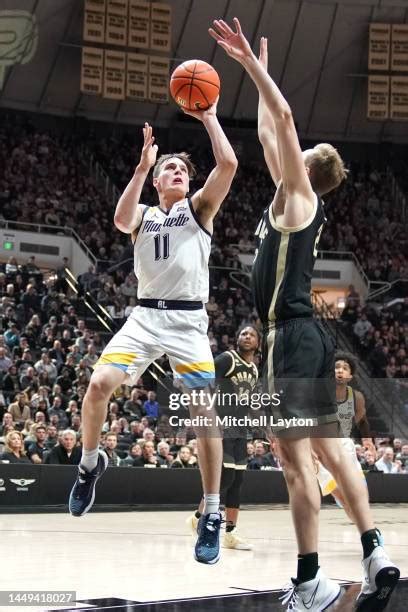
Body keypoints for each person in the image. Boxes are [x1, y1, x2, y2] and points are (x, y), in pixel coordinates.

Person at [209, 19, 399, 610]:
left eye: (301, 152)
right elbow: (272, 132)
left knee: (295, 464)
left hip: (286, 338)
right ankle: (375, 551)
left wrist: (248, 65)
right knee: (333, 451)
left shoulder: (300, 195)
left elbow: (284, 124)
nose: (293, 145)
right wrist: (264, 74)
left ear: (309, 168)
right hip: (309, 338)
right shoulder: (287, 195)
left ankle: (310, 580)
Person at [69, 108, 238, 567]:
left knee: (204, 411)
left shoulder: (198, 208)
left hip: (187, 322)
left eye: (183, 169)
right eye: (171, 168)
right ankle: (89, 466)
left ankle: (211, 510)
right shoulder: (144, 214)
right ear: (159, 182)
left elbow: (228, 166)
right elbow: (121, 220)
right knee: (99, 383)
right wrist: (143, 166)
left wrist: (209, 117)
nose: (179, 172)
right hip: (144, 317)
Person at [187, 326, 259, 550]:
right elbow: (205, 381)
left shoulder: (254, 370)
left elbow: (249, 403)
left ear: (258, 343)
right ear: (237, 339)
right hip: (221, 425)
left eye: (251, 334)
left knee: (237, 481)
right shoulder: (228, 359)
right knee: (225, 478)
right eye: (242, 333)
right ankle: (200, 517)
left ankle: (230, 532)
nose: (246, 336)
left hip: (240, 429)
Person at [315, 352, 370, 514]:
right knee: (333, 486)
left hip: (343, 443)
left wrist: (368, 441)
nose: (339, 370)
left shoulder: (357, 397)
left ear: (350, 376)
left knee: (361, 493)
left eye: (345, 368)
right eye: (336, 367)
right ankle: (348, 506)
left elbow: (362, 421)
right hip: (320, 444)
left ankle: (358, 511)